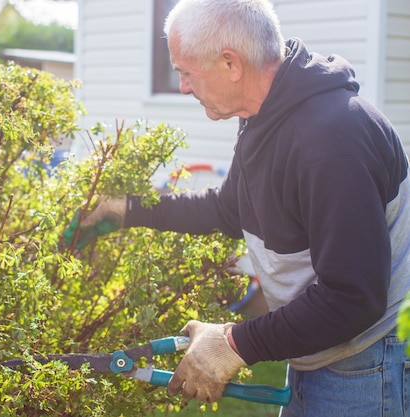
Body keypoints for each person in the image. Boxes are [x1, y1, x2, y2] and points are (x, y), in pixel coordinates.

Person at [63, 0, 410, 415]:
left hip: (368, 361)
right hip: (319, 348)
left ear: (230, 64)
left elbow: (354, 296)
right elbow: (230, 209)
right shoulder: (264, 117)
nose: (183, 88)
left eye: (186, 72)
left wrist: (233, 344)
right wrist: (128, 210)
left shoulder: (333, 138)